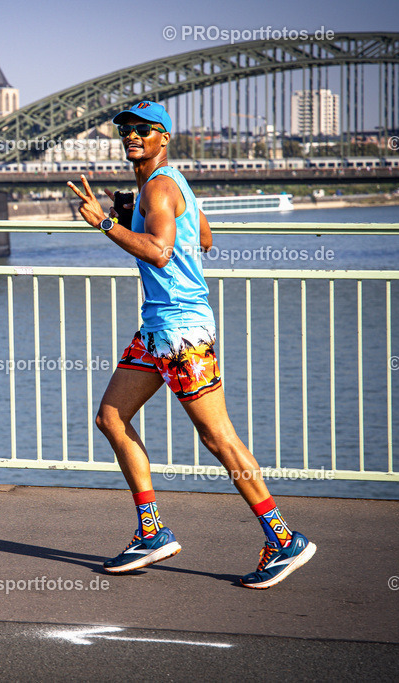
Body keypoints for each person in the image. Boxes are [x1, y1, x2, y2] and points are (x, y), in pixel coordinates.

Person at [67, 101, 315, 589]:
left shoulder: (158, 187)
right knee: (111, 417)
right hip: (157, 328)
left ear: (164, 137)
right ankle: (152, 532)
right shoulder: (164, 185)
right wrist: (130, 214)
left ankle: (284, 539)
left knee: (217, 437)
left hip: (182, 332)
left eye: (143, 130)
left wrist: (104, 222)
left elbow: (161, 253)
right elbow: (202, 236)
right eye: (126, 131)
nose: (132, 136)